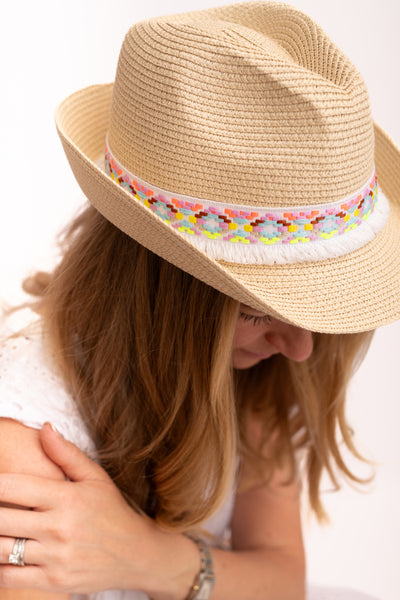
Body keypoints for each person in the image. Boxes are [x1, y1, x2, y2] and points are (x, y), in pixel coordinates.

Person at [0, 2, 399, 599]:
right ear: (158, 293)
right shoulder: (27, 436)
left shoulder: (254, 376)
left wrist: (141, 556)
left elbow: (284, 579)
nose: (300, 349)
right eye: (261, 310)